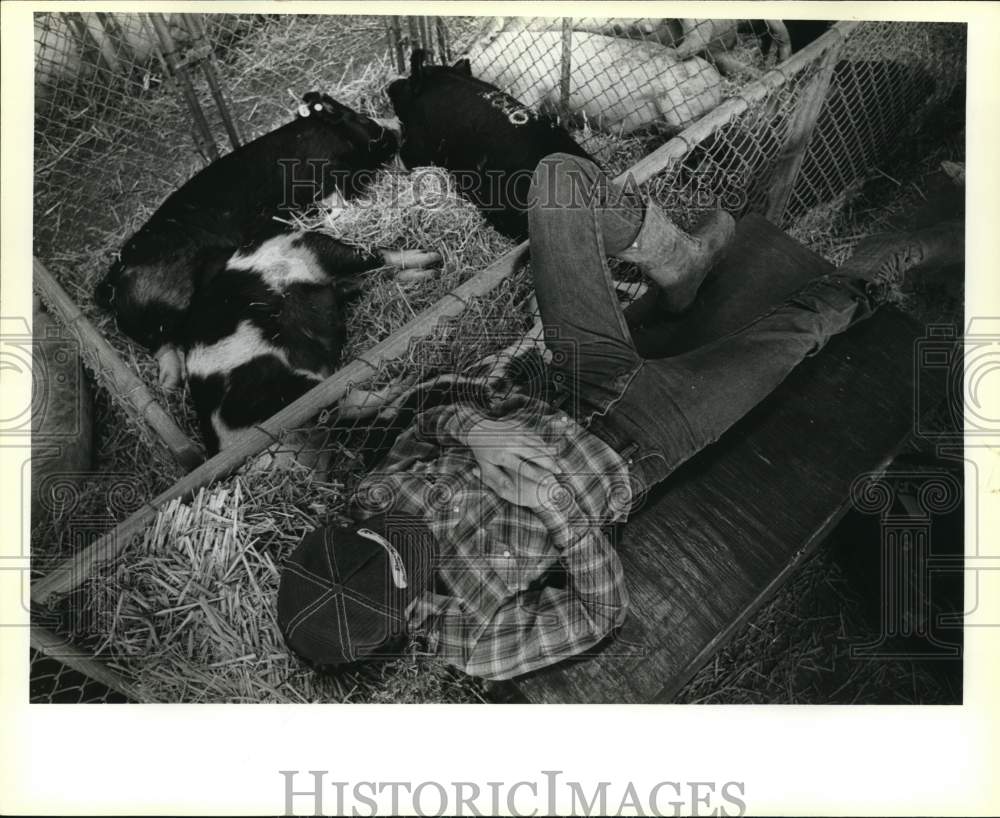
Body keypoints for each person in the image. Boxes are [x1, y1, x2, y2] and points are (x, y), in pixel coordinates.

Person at [276, 153, 961, 681]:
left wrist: (471, 429)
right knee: (809, 325)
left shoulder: (365, 504)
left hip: (571, 378)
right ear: (396, 629)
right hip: (652, 436)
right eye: (411, 554)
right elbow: (598, 615)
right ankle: (913, 251)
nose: (405, 524)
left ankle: (679, 259)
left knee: (557, 181)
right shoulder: (470, 640)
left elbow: (427, 424)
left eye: (386, 529)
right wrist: (558, 507)